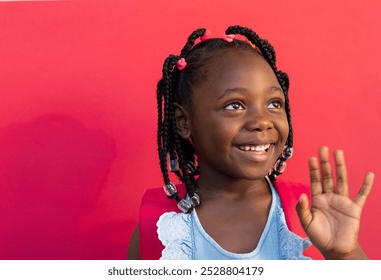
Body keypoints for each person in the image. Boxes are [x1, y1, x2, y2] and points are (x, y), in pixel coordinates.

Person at [127, 25, 374, 260]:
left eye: (274, 104)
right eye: (235, 105)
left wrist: (345, 255)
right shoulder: (160, 226)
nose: (262, 121)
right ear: (183, 121)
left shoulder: (308, 212)